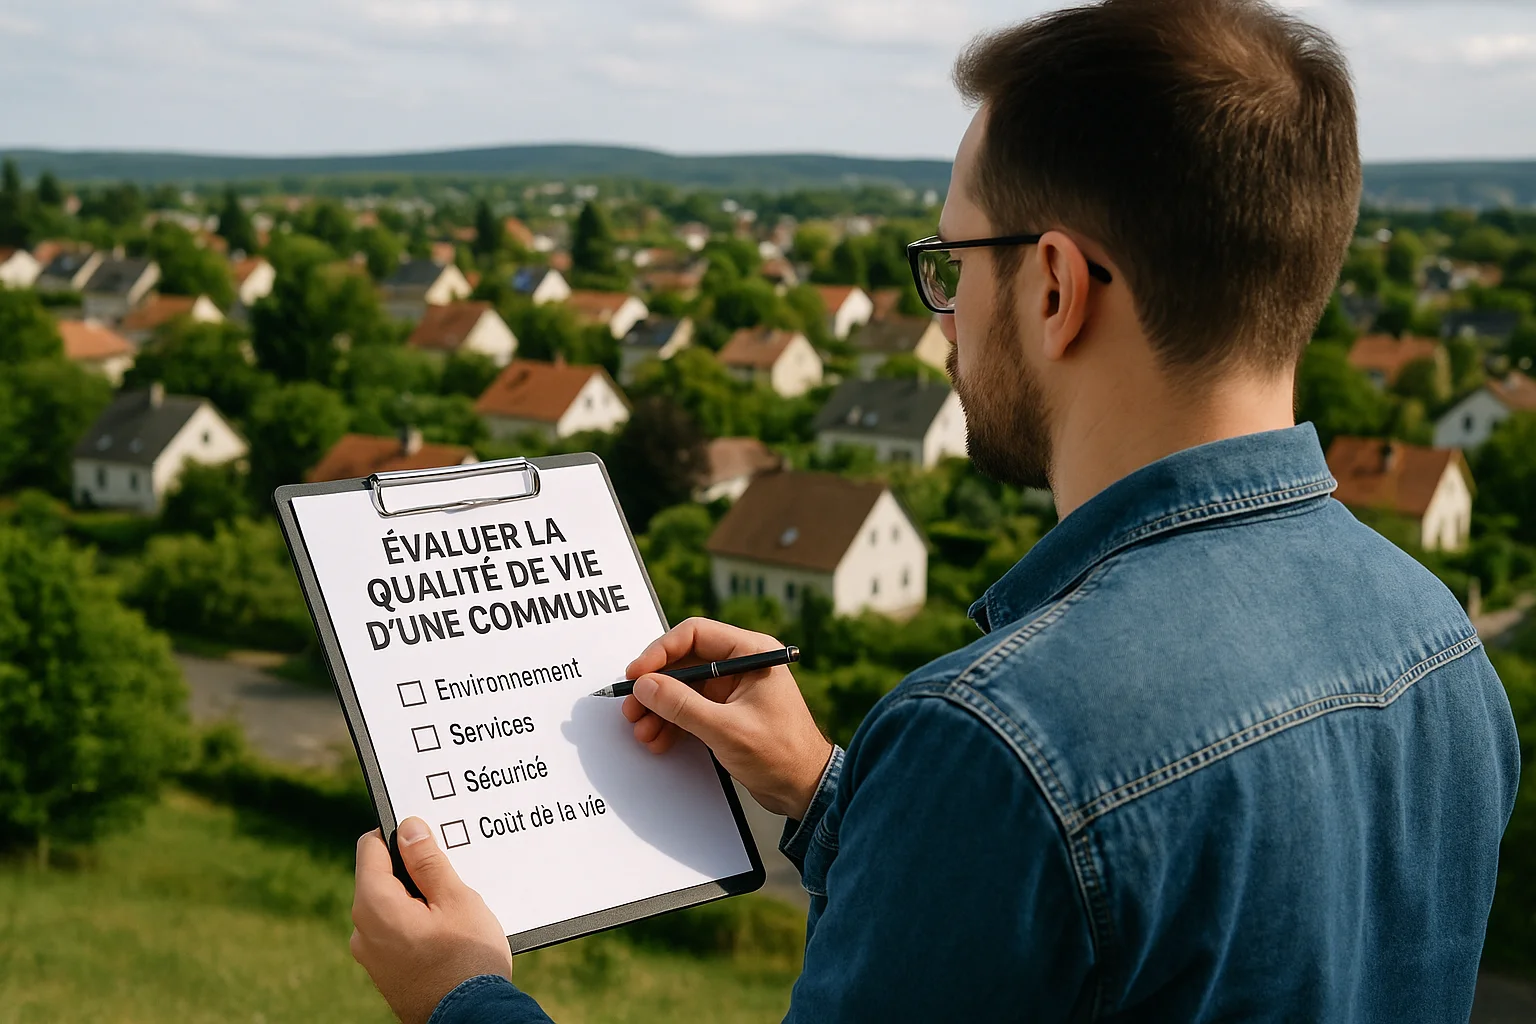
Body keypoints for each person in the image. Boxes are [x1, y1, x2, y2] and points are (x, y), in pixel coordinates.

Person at [349, 0, 1521, 1019]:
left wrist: (464, 996)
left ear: (1055, 286)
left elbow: (1063, 824)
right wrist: (828, 788)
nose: (942, 314)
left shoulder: (1002, 739)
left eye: (951, 263)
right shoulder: (1439, 644)